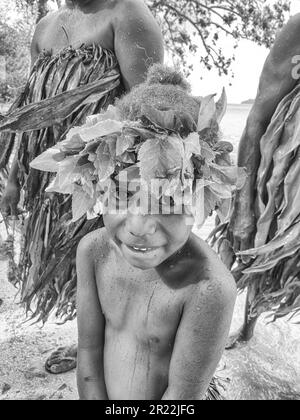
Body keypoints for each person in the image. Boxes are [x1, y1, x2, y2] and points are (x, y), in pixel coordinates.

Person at [31, 64, 240, 400]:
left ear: (202, 199)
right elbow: (88, 352)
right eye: (123, 193)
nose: (140, 225)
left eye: (169, 200)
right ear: (96, 186)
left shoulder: (208, 288)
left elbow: (183, 395)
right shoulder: (93, 252)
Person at [0, 0, 164, 373]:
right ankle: (95, 339)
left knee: (106, 260)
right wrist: (14, 179)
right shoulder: (45, 26)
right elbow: (33, 107)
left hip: (106, 174)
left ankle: (108, 346)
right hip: (48, 178)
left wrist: (134, 189)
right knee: (73, 262)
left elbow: (148, 110)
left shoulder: (127, 15)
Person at [211, 14, 300, 347]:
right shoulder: (298, 30)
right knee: (261, 253)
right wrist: (243, 205)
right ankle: (245, 332)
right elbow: (257, 119)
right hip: (289, 193)